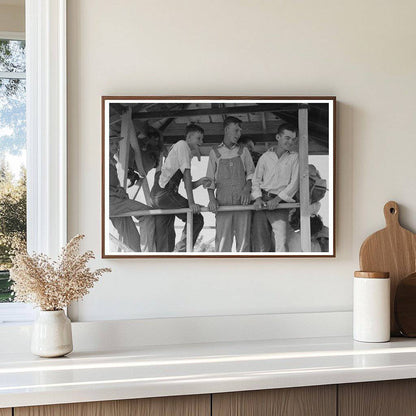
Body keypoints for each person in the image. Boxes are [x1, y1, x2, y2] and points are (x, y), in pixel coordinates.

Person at [151, 124, 211, 252]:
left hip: (159, 195)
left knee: (166, 235)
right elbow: (187, 176)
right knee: (196, 218)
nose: (201, 142)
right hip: (165, 193)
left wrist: (200, 182)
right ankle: (182, 252)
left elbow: (188, 183)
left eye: (202, 139)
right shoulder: (182, 145)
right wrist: (191, 203)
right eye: (199, 138)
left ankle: (165, 262)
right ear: (189, 137)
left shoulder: (181, 151)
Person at [206, 116, 255, 252]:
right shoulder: (214, 152)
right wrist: (212, 199)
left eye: (240, 131)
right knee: (222, 242)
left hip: (242, 202)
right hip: (222, 203)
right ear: (227, 129)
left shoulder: (244, 151)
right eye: (236, 130)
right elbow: (209, 179)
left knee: (244, 243)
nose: (239, 134)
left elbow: (252, 174)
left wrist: (247, 189)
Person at [251, 123, 299, 252]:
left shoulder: (295, 157)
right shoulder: (265, 157)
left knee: (281, 242)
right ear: (278, 137)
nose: (290, 142)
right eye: (287, 138)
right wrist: (258, 198)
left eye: (293, 139)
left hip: (280, 203)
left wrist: (277, 200)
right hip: (262, 201)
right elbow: (256, 180)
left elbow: (294, 183)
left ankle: (281, 270)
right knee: (260, 243)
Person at [109, 135, 155, 252]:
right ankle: (147, 255)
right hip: (110, 202)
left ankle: (136, 259)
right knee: (148, 214)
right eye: (111, 144)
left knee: (132, 242)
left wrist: (120, 190)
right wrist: (115, 191)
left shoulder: (112, 163)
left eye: (116, 144)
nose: (115, 147)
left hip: (117, 203)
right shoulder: (99, 161)